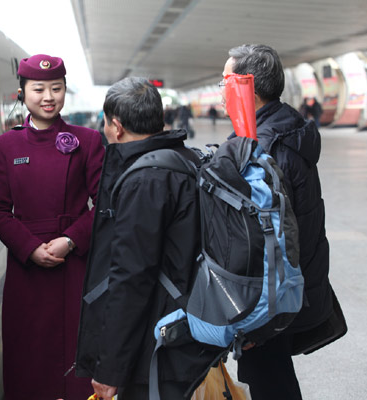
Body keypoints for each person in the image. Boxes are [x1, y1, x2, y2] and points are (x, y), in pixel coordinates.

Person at [75, 77, 221, 399]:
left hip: (157, 339)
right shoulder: (184, 158)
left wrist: (110, 368)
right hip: (188, 322)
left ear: (116, 125)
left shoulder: (144, 180)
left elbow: (131, 279)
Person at [0, 54, 104, 400]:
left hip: (76, 265)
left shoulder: (88, 141)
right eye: (38, 89)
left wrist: (70, 239)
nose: (48, 96)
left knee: (76, 354)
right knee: (30, 357)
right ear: (22, 92)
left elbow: (106, 205)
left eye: (56, 88)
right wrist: (29, 248)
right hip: (27, 270)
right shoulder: (4, 147)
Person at [222, 44, 333, 400]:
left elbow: (264, 239)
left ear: (247, 87)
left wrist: (250, 309)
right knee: (271, 374)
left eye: (226, 81)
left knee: (271, 379)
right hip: (294, 280)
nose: (222, 90)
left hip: (273, 292)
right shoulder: (287, 126)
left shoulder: (264, 148)